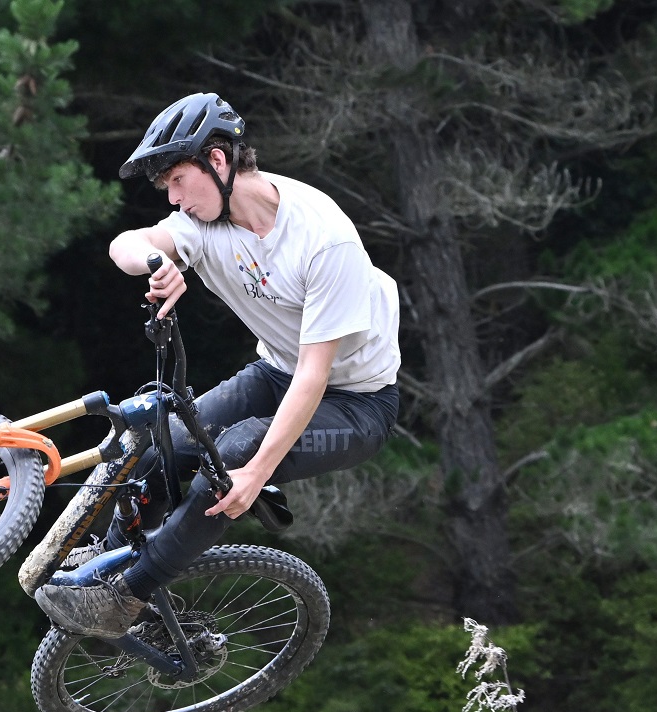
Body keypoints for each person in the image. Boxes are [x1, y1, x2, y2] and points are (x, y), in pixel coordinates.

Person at [35, 93, 401, 639]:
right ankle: (100, 565)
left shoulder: (324, 239)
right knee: (167, 445)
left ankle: (128, 595)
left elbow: (314, 374)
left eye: (179, 181)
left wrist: (257, 474)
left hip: (356, 404)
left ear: (218, 159)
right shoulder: (201, 224)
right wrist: (158, 263)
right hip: (275, 372)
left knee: (234, 455)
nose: (175, 200)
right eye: (167, 191)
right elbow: (124, 246)